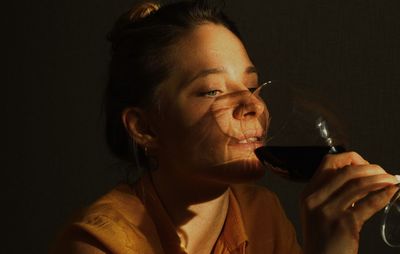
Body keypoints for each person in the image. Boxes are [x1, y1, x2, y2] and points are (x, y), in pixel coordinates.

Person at [51, 0, 399, 253]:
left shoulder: (259, 212)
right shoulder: (98, 245)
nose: (253, 104)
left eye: (250, 87)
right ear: (145, 128)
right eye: (212, 90)